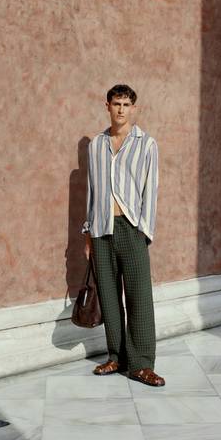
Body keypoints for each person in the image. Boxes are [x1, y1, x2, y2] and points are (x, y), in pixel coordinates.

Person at [82, 84, 164, 387]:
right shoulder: (96, 145)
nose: (121, 109)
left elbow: (150, 191)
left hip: (131, 229)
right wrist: (87, 234)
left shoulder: (147, 144)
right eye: (116, 103)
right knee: (109, 296)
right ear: (107, 105)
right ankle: (116, 356)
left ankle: (142, 364)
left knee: (139, 297)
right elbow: (91, 192)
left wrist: (144, 231)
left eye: (127, 104)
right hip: (101, 229)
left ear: (134, 108)